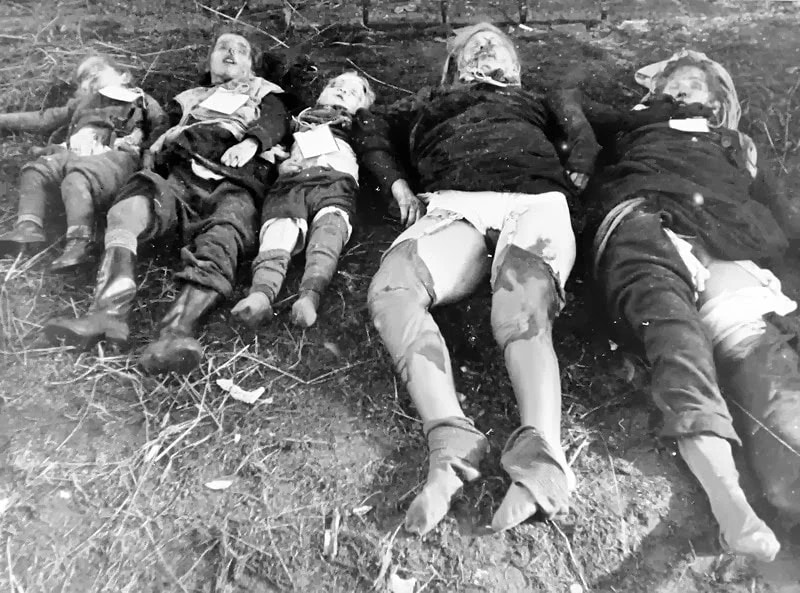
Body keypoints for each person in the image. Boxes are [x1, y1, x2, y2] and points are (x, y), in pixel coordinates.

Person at [352, 22, 606, 536]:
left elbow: (580, 121)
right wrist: (396, 183)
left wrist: (580, 157)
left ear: (516, 67)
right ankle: (450, 440)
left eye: (499, 45)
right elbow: (371, 126)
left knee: (521, 302)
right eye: (474, 44)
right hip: (453, 203)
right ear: (454, 66)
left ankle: (543, 456)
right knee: (392, 291)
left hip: (535, 199)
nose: (487, 46)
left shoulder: (534, 99)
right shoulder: (430, 103)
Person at [582, 50, 800, 561]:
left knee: (754, 343)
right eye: (670, 85)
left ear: (717, 102)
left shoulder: (734, 145)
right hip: (644, 219)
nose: (678, 92)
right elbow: (571, 100)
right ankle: (731, 506)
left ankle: (790, 477)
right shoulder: (631, 123)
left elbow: (779, 212)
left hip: (723, 234)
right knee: (676, 333)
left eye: (691, 86)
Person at [43, 32, 290, 375]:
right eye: (223, 47)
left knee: (223, 237)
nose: (231, 53)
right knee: (128, 210)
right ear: (209, 60)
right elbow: (159, 131)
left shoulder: (264, 91)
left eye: (241, 50)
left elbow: (277, 120)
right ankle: (107, 312)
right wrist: (151, 150)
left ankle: (176, 333)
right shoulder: (188, 98)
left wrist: (251, 143)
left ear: (251, 65)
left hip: (236, 180)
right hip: (181, 174)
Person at [231, 71, 376, 328]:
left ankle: (310, 296)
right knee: (279, 227)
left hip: (335, 181)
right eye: (335, 85)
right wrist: (281, 164)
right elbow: (277, 144)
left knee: (329, 228)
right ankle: (261, 293)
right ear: (320, 94)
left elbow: (375, 150)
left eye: (352, 92)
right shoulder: (299, 119)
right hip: (293, 181)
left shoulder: (358, 126)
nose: (342, 90)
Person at [0, 55, 166, 271]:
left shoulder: (142, 101)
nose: (89, 81)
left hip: (115, 156)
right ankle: (28, 226)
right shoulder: (84, 102)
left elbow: (161, 127)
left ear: (124, 76)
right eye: (83, 80)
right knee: (36, 171)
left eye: (96, 73)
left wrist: (147, 152)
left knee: (77, 179)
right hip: (73, 151)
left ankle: (80, 242)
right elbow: (44, 118)